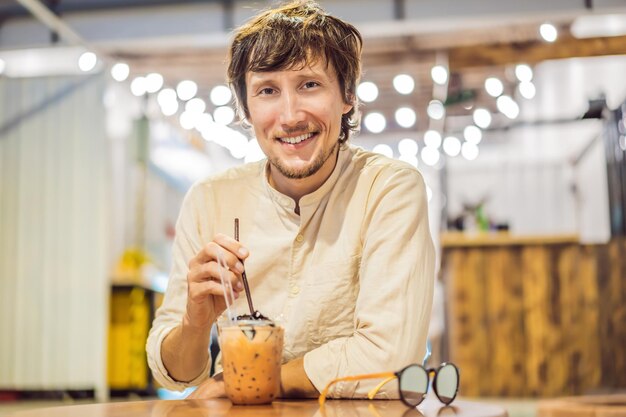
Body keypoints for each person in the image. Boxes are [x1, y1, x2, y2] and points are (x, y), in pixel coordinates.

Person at [146, 0, 435, 400]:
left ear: (347, 95)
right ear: (246, 109)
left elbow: (392, 355)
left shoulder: (388, 189)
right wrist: (195, 323)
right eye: (267, 90)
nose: (290, 115)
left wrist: (254, 380)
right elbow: (175, 375)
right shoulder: (209, 199)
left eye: (309, 85)